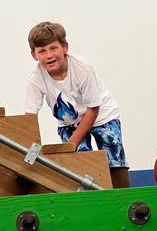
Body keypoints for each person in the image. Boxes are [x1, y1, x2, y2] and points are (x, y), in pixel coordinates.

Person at [24, 21, 130, 188]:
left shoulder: (82, 68)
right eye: (42, 51)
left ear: (65, 48)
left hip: (100, 115)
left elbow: (93, 109)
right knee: (78, 163)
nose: (49, 55)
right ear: (34, 55)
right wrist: (30, 150)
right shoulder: (35, 79)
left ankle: (124, 196)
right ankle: (88, 201)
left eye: (53, 48)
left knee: (113, 155)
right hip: (69, 121)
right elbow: (29, 118)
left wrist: (71, 143)